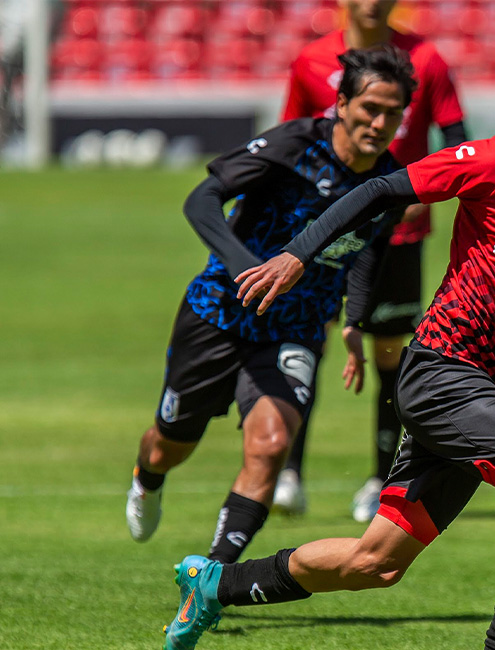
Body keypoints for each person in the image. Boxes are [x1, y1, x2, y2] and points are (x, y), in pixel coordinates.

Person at [161, 73, 495, 650]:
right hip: (443, 370)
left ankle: (213, 583)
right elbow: (380, 190)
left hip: (492, 393)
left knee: (375, 563)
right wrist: (297, 255)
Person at [124, 47, 416, 567]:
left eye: (392, 112)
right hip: (220, 313)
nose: (379, 122)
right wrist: (243, 268)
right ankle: (147, 478)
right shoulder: (295, 145)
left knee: (271, 444)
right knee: (171, 445)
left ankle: (211, 578)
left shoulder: (389, 182)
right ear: (342, 103)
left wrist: (353, 321)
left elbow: (367, 250)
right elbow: (203, 198)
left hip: (298, 327)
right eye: (370, 107)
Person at [275, 0, 469, 522]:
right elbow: (292, 142)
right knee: (307, 345)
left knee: (389, 359)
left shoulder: (426, 59)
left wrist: (420, 194)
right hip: (324, 233)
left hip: (398, 234)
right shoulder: (310, 60)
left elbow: (456, 141)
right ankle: (288, 473)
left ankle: (380, 481)